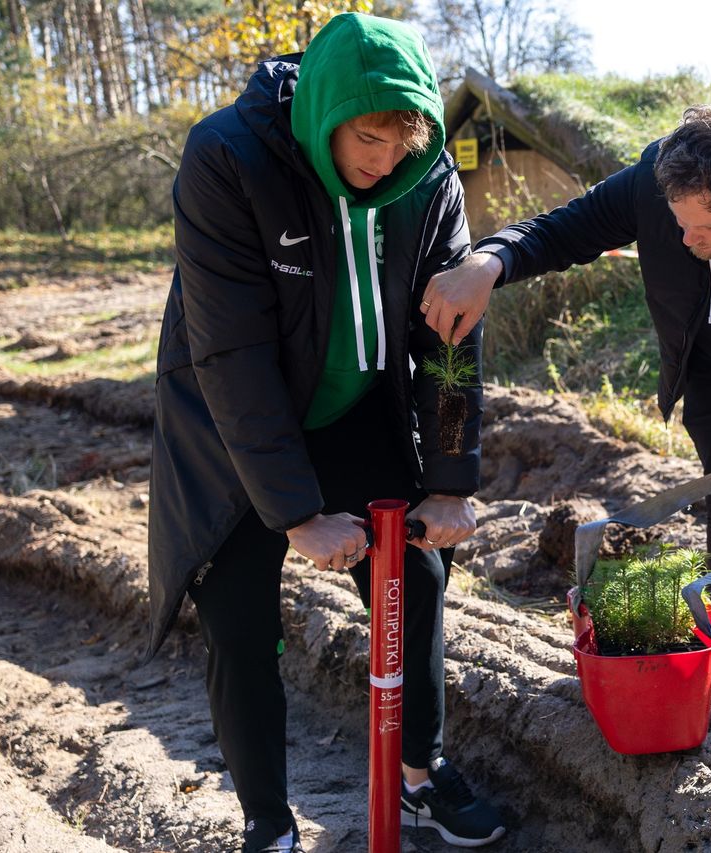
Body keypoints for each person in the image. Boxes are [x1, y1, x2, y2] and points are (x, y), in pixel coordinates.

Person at [422, 104, 711, 779]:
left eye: (709, 226)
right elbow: (564, 229)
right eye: (679, 222)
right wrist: (490, 261)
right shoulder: (653, 181)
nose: (689, 238)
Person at [146, 13, 505, 851]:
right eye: (368, 138)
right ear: (325, 114)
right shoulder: (228, 160)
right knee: (237, 621)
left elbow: (450, 334)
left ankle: (421, 774)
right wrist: (298, 512)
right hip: (234, 425)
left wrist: (450, 479)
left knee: (414, 579)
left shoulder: (426, 174)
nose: (385, 160)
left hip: (351, 407)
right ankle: (268, 824)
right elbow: (230, 355)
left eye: (403, 140)